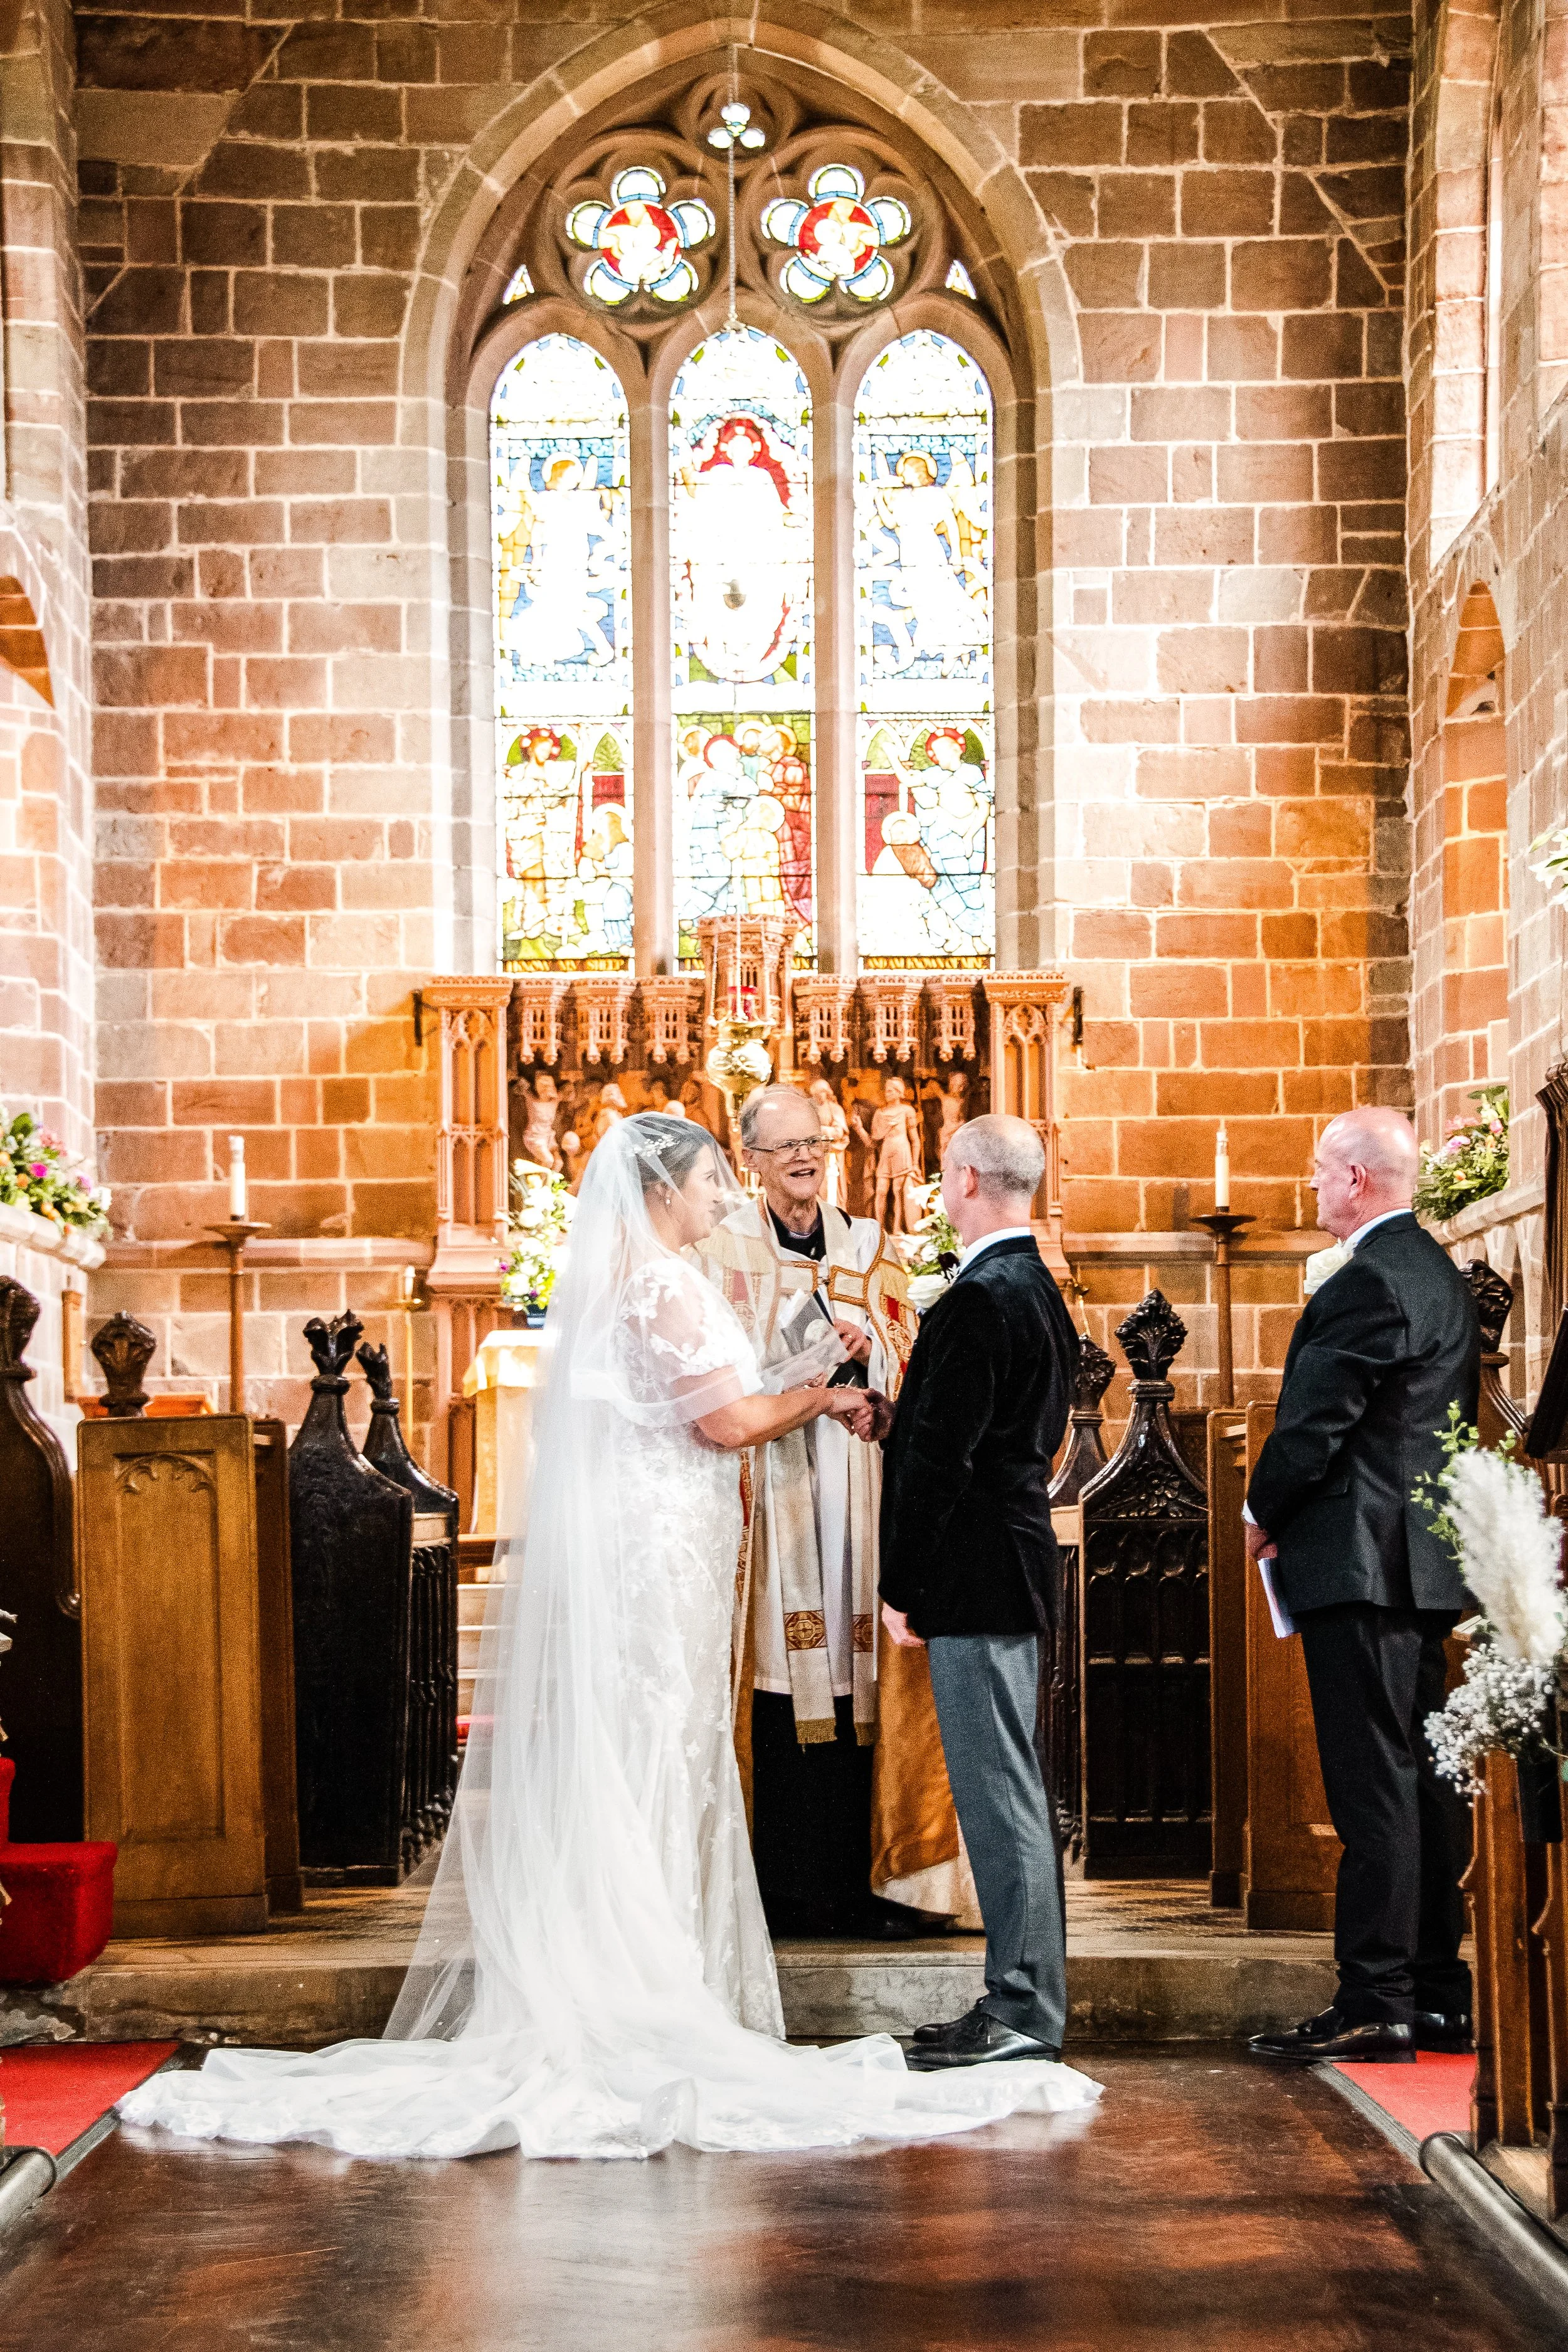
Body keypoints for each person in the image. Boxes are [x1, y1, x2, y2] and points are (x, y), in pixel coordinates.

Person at [119, 1117, 1100, 2158]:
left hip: (729, 1553)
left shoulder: (738, 1281)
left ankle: (1006, 2002)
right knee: (659, 1751)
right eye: (714, 1177)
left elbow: (917, 1435)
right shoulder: (667, 1284)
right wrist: (826, 1393)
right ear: (662, 1188)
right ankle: (648, 1978)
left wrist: (837, 1401)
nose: (726, 1193)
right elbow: (723, 1419)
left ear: (964, 1180)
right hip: (664, 1553)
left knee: (691, 1756)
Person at [696, 1084, 970, 1938]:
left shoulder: (873, 1246)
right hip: (766, 1497)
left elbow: (910, 1362)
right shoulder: (719, 1251)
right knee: (777, 1680)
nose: (804, 1158)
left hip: (857, 1493)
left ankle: (873, 1880)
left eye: (814, 1142)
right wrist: (789, 1366)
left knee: (862, 1680)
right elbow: (706, 1376)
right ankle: (773, 1887)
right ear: (751, 1161)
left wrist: (871, 1353)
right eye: (784, 1148)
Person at [1244, 1108, 1481, 2065]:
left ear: (1354, 1178)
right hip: (1418, 1567)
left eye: (1317, 1170)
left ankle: (1374, 1998)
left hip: (1361, 1564)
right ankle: (1437, 1991)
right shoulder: (1436, 1273)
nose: (1310, 1185)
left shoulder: (1368, 1280)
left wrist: (1262, 1505)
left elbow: (1315, 1423)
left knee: (1372, 1785)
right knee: (1422, 1779)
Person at [875, 1115, 1081, 2072]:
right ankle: (1020, 1994)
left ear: (961, 1178)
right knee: (1012, 1788)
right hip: (1010, 1559)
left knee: (1000, 1794)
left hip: (974, 1572)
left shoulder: (976, 1298)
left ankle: (1024, 2005)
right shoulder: (1035, 1286)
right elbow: (989, 1434)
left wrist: (901, 1584)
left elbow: (942, 1464)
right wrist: (891, 1414)